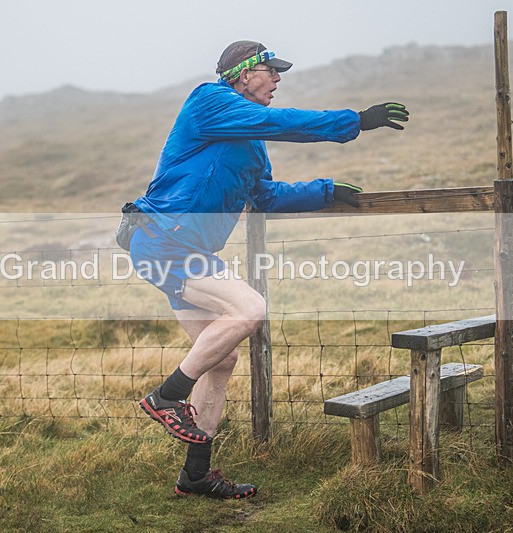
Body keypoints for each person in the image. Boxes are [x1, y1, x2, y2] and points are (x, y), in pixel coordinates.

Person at [127, 40, 408, 499]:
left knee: (222, 357)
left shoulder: (251, 143)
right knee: (250, 310)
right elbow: (281, 122)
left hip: (186, 247)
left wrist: (324, 190)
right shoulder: (210, 101)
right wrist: (354, 121)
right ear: (243, 73)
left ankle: (195, 475)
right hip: (164, 238)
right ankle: (168, 396)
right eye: (271, 71)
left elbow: (267, 196)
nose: (278, 80)